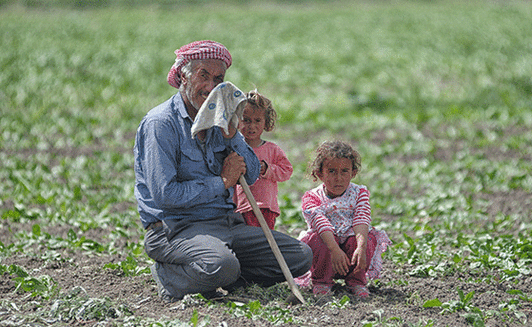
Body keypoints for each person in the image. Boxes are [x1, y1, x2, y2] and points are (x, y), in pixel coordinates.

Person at [133, 40, 312, 303]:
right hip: (174, 229)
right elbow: (165, 196)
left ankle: (222, 274)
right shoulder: (160, 124)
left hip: (225, 223)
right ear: (184, 76)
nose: (210, 86)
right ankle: (171, 275)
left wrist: (232, 136)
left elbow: (251, 174)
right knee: (222, 265)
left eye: (218, 78)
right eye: (203, 75)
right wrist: (222, 182)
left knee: (300, 255)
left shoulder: (220, 119)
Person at [295, 141, 391, 299]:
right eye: (331, 171)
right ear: (320, 174)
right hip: (328, 244)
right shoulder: (312, 197)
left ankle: (357, 281)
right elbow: (320, 223)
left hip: (349, 246)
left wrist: (361, 246)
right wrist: (334, 249)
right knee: (316, 239)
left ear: (353, 173)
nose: (338, 178)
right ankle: (322, 282)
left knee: (367, 239)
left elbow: (362, 218)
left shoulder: (359, 193)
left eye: (344, 171)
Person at [233, 90, 293, 230]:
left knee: (266, 241)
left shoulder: (272, 150)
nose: (251, 126)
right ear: (237, 121)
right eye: (246, 120)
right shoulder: (235, 148)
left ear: (266, 122)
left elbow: (287, 171)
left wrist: (267, 169)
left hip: (265, 207)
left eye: (257, 121)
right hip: (241, 207)